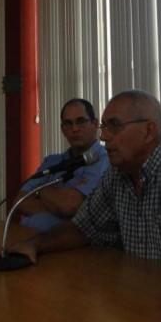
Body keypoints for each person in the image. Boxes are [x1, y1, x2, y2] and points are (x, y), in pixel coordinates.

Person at [0, 90, 161, 322]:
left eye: (114, 126)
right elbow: (83, 227)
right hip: (155, 302)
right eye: (103, 127)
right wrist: (35, 245)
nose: (103, 136)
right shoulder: (117, 175)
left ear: (149, 131)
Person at [14, 98, 109, 233]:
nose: (74, 129)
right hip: (29, 242)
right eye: (68, 123)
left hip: (74, 250)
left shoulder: (104, 160)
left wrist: (40, 191)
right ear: (62, 129)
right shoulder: (52, 162)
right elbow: (20, 201)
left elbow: (69, 206)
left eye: (81, 121)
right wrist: (60, 209)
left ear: (95, 124)